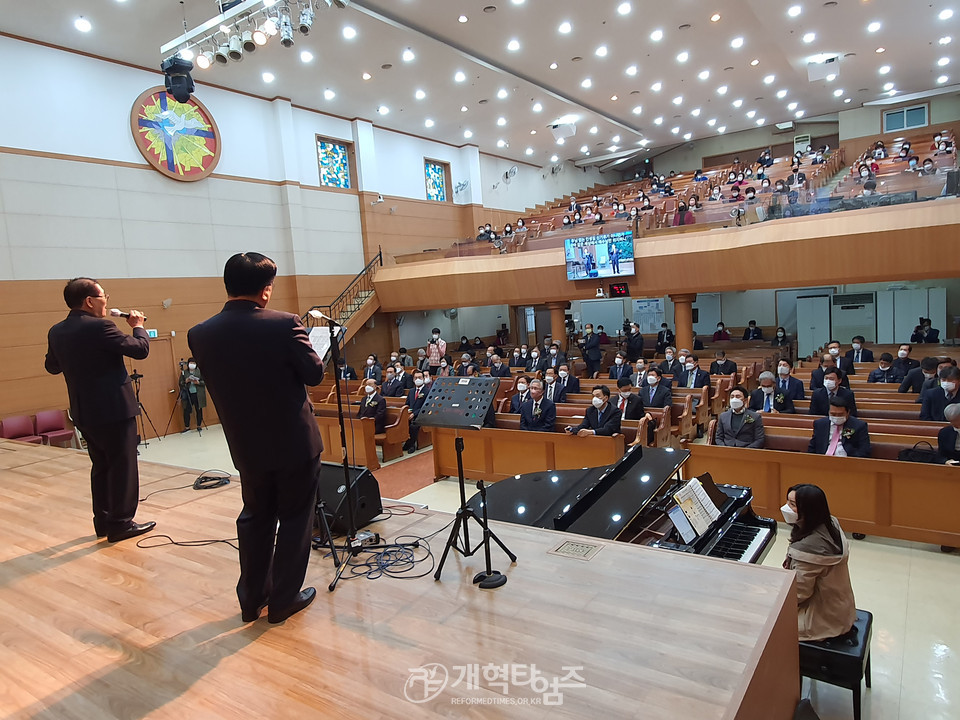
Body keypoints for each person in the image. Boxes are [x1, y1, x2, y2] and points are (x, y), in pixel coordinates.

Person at [188, 252, 323, 623]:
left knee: (255, 517)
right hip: (294, 442)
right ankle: (283, 600)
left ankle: (251, 600)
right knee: (296, 519)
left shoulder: (199, 333)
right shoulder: (284, 324)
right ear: (265, 291)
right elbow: (314, 374)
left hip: (246, 445)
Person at [44, 277, 154, 543]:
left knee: (102, 465)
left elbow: (52, 366)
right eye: (104, 296)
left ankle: (103, 522)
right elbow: (140, 350)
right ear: (90, 301)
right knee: (123, 464)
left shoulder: (57, 331)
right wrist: (137, 327)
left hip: (84, 411)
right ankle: (121, 523)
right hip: (114, 409)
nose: (107, 302)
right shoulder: (101, 326)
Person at [781, 484, 857, 641]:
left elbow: (799, 593)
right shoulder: (829, 524)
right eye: (787, 502)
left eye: (793, 505)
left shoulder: (810, 548)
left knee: (767, 626)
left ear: (809, 510)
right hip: (841, 607)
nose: (786, 508)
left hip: (822, 617)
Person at [403, 370, 429, 453]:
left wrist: (414, 413)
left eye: (419, 377)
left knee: (413, 426)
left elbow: (426, 406)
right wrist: (408, 412)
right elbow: (407, 404)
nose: (417, 379)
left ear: (423, 378)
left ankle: (411, 445)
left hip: (422, 415)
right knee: (402, 423)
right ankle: (406, 442)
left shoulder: (427, 391)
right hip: (411, 414)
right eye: (416, 378)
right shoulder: (411, 391)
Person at [179, 358, 206, 432]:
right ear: (188, 364)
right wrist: (186, 381)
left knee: (199, 410)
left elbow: (205, 382)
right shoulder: (184, 372)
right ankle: (187, 427)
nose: (192, 365)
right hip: (188, 394)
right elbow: (180, 383)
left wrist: (199, 383)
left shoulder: (199, 371)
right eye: (191, 363)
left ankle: (199, 426)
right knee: (186, 410)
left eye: (194, 363)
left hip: (198, 394)